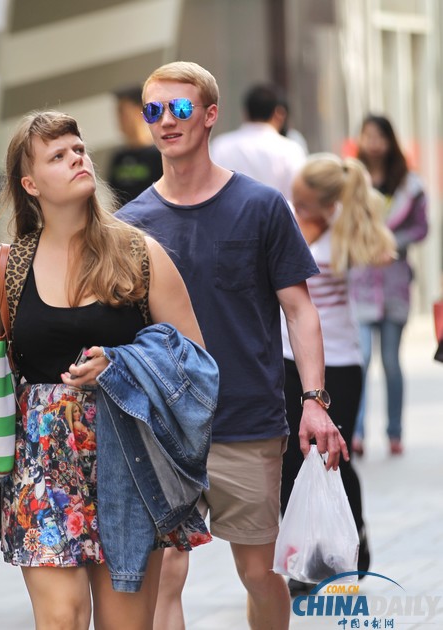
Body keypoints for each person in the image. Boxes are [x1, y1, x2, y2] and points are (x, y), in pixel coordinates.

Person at [0, 110, 209, 630]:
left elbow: (195, 360)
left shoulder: (139, 256)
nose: (76, 158)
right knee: (61, 618)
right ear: (30, 184)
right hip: (41, 463)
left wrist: (121, 363)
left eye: (78, 149)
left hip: (129, 457)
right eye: (58, 155)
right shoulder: (7, 267)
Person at [116, 62, 348, 630]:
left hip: (246, 420)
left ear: (210, 115)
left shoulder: (262, 206)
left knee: (257, 572)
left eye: (181, 108)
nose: (167, 120)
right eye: (154, 110)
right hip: (162, 430)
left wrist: (314, 400)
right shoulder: (129, 225)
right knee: (165, 574)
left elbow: (300, 309)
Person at [282, 153, 396, 593]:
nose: (297, 207)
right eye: (295, 199)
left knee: (334, 458)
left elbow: (382, 250)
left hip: (341, 362)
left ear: (330, 202)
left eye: (306, 202)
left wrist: (342, 218)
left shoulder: (348, 228)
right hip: (289, 359)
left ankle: (355, 544)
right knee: (291, 459)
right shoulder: (289, 221)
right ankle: (301, 560)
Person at [350, 114, 428, 456]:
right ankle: (356, 432)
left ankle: (394, 432)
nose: (373, 143)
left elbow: (422, 228)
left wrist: (392, 242)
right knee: (362, 358)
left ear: (390, 140)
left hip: (394, 285)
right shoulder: (351, 181)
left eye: (379, 136)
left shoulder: (409, 184)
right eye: (368, 135)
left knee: (392, 362)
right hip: (360, 284)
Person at [210, 82, 306, 200]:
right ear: (279, 113)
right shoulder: (290, 149)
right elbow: (298, 196)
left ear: (245, 113)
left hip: (228, 216)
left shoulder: (221, 145)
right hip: (275, 216)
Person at [107, 85, 163, 205]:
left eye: (123, 112)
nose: (119, 119)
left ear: (140, 111)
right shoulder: (119, 157)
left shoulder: (160, 154)